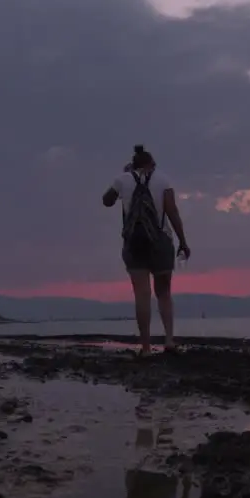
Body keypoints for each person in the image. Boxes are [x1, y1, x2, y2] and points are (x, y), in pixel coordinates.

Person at [102, 145, 190, 356]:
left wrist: (123, 178)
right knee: (164, 294)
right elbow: (172, 212)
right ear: (152, 163)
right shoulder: (163, 179)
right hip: (160, 241)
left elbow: (106, 201)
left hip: (134, 242)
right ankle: (169, 340)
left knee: (141, 295)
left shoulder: (123, 179)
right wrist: (183, 241)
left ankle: (146, 348)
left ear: (134, 163)